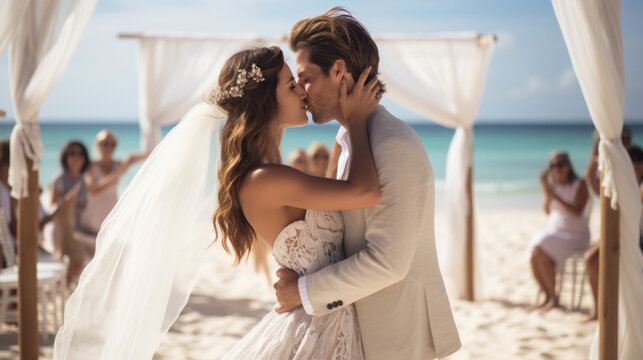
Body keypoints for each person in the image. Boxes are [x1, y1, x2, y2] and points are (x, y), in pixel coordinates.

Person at [54, 46, 383, 358]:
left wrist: (344, 129)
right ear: (266, 101)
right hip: (319, 328)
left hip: (325, 313)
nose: (302, 92)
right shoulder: (263, 179)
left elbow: (330, 199)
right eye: (290, 85)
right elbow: (365, 192)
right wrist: (354, 121)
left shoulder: (273, 172)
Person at [272, 8, 460, 360]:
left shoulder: (393, 145)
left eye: (306, 77)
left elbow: (388, 262)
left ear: (339, 71)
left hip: (395, 336)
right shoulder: (352, 141)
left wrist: (303, 291)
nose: (301, 90)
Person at [583, 143, 643, 321]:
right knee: (592, 259)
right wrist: (595, 156)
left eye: (639, 165)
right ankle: (598, 310)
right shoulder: (618, 186)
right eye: (632, 164)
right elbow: (591, 180)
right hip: (618, 237)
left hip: (638, 239)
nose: (636, 168)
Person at [530, 151, 590, 313]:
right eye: (553, 165)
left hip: (575, 235)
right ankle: (549, 296)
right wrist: (546, 190)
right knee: (534, 255)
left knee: (540, 246)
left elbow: (578, 211)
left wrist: (554, 195)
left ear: (568, 165)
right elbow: (547, 210)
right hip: (555, 233)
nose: (556, 168)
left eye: (560, 164)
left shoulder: (580, 184)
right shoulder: (553, 187)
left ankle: (553, 298)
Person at [49, 141, 95, 288]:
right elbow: (52, 209)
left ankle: (68, 287)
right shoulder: (60, 178)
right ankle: (63, 287)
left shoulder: (81, 179)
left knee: (101, 243)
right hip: (62, 232)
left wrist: (74, 206)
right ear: (65, 157)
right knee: (79, 258)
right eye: (72, 153)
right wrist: (66, 201)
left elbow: (82, 206)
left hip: (76, 229)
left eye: (81, 154)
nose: (77, 157)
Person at [82, 130, 148, 232]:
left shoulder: (118, 165)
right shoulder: (90, 165)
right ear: (97, 145)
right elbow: (93, 190)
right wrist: (118, 173)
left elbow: (142, 156)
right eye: (105, 143)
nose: (109, 147)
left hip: (111, 214)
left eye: (112, 144)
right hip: (93, 216)